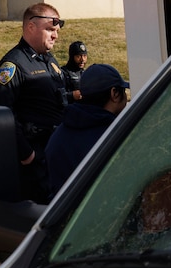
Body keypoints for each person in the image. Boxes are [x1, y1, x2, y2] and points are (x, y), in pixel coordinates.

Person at [0, 3, 68, 203]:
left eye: (57, 31)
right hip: (36, 157)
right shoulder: (13, 65)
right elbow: (2, 114)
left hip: (55, 151)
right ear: (31, 27)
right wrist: (28, 155)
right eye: (50, 29)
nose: (55, 36)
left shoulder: (49, 60)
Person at [45, 63, 130, 198]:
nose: (127, 99)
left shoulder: (59, 135)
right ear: (114, 93)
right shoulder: (116, 137)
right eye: (124, 91)